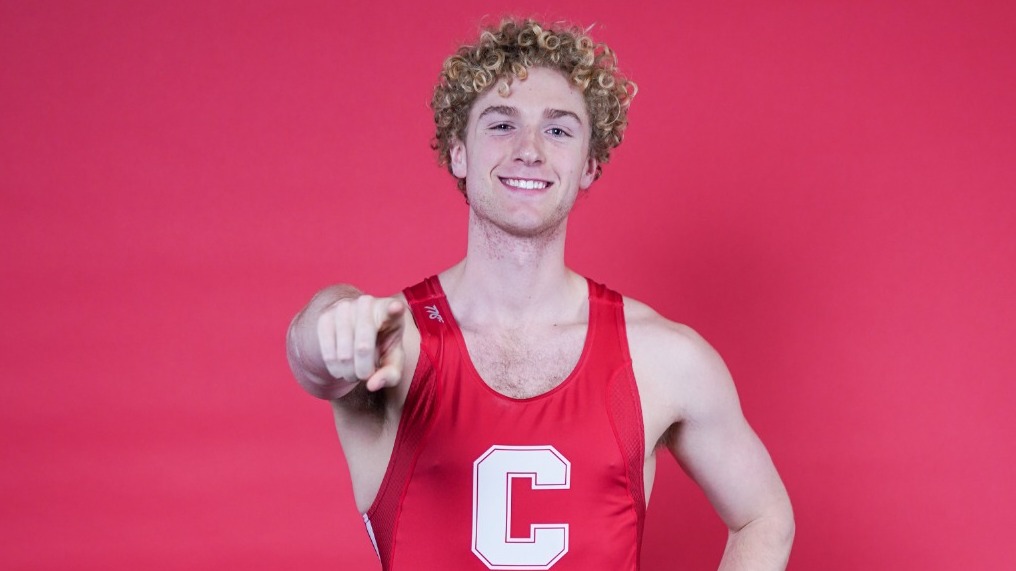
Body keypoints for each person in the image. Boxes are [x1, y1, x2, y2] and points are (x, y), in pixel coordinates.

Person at [286, 18, 794, 570]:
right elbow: (314, 354)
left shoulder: (663, 358)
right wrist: (334, 315)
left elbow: (764, 519)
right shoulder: (391, 342)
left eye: (558, 130)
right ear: (459, 153)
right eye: (502, 124)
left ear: (589, 166)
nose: (529, 150)